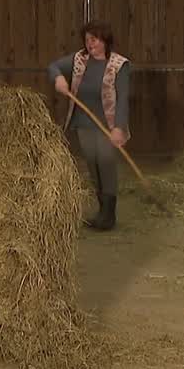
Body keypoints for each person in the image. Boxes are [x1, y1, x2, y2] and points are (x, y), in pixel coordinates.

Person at [47, 20, 131, 231]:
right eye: (87, 40)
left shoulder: (119, 65)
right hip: (84, 123)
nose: (89, 44)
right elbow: (53, 66)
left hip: (107, 126)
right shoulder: (79, 59)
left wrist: (119, 127)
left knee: (106, 163)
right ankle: (102, 210)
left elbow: (123, 98)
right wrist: (58, 78)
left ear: (105, 40)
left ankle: (109, 214)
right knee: (93, 164)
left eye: (94, 39)